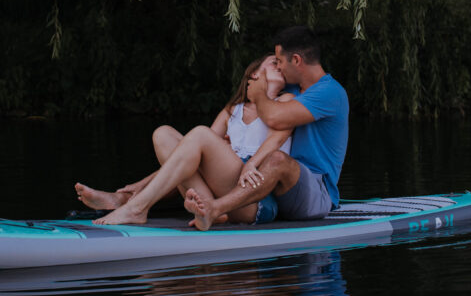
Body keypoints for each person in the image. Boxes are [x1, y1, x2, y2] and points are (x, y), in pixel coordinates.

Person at [74, 54, 295, 226]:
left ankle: (136, 207)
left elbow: (202, 141)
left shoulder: (287, 101)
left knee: (200, 134)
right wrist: (139, 184)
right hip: (221, 188)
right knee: (164, 134)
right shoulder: (232, 111)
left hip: (253, 199)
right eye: (274, 62)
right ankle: (133, 199)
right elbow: (189, 154)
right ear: (253, 74)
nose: (280, 66)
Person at [184, 25, 349, 231]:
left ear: (296, 60)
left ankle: (215, 209)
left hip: (316, 193)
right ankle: (143, 197)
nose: (278, 67)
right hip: (274, 189)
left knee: (277, 159)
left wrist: (260, 93)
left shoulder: (330, 93)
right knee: (207, 155)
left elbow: (274, 118)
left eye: (279, 61)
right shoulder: (290, 87)